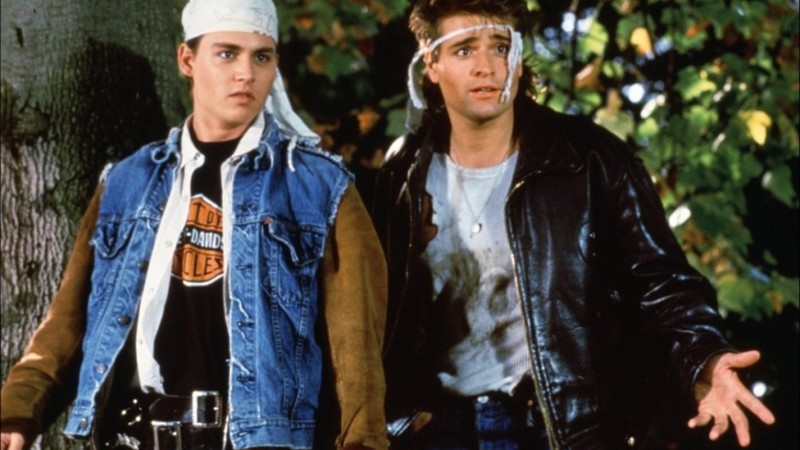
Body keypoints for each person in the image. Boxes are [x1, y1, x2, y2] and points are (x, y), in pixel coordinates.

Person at [370, 1, 776, 449]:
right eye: (464, 50)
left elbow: (661, 282)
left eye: (500, 47)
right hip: (441, 429)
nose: (487, 66)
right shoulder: (404, 170)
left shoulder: (589, 158)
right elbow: (383, 310)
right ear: (432, 64)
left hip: (559, 427)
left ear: (518, 59)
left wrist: (705, 359)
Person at [0, 0, 388, 449]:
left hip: (257, 440)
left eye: (261, 57)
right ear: (187, 59)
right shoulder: (128, 181)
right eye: (227, 53)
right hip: (132, 436)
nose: (245, 73)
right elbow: (68, 323)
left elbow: (357, 348)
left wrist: (363, 441)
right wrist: (18, 410)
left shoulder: (318, 186)